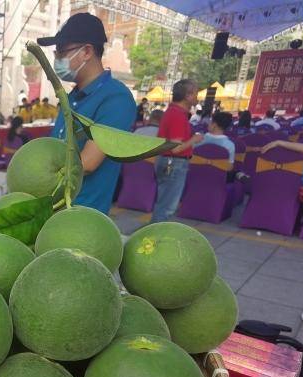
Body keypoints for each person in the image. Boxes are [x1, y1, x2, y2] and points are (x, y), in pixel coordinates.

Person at [37, 12, 136, 215]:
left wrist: (33, 175)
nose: (57, 59)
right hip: (50, 211)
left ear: (87, 52)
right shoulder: (71, 97)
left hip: (81, 217)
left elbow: (87, 163)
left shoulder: (116, 98)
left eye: (62, 52)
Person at [151, 79, 203, 223]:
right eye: (195, 94)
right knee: (167, 207)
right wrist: (194, 139)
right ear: (187, 96)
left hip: (168, 161)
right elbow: (175, 148)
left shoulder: (173, 112)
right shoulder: (178, 115)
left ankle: (154, 233)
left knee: (164, 204)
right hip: (174, 163)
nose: (197, 97)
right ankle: (155, 235)